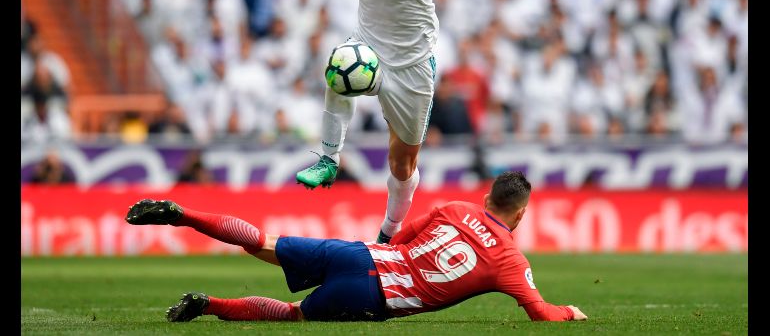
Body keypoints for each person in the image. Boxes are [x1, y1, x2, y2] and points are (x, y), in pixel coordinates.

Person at [237, 0, 474, 244]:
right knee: (340, 67)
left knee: (402, 163)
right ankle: (329, 160)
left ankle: (390, 230)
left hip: (412, 65)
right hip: (369, 48)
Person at [124, 171, 587, 323]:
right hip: (374, 295)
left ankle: (181, 213)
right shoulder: (511, 260)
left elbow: (406, 233)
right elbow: (540, 313)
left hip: (364, 254)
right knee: (293, 315)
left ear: (488, 198)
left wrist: (388, 248)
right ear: (521, 214)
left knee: (262, 243)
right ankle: (208, 305)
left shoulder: (457, 207)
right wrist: (569, 311)